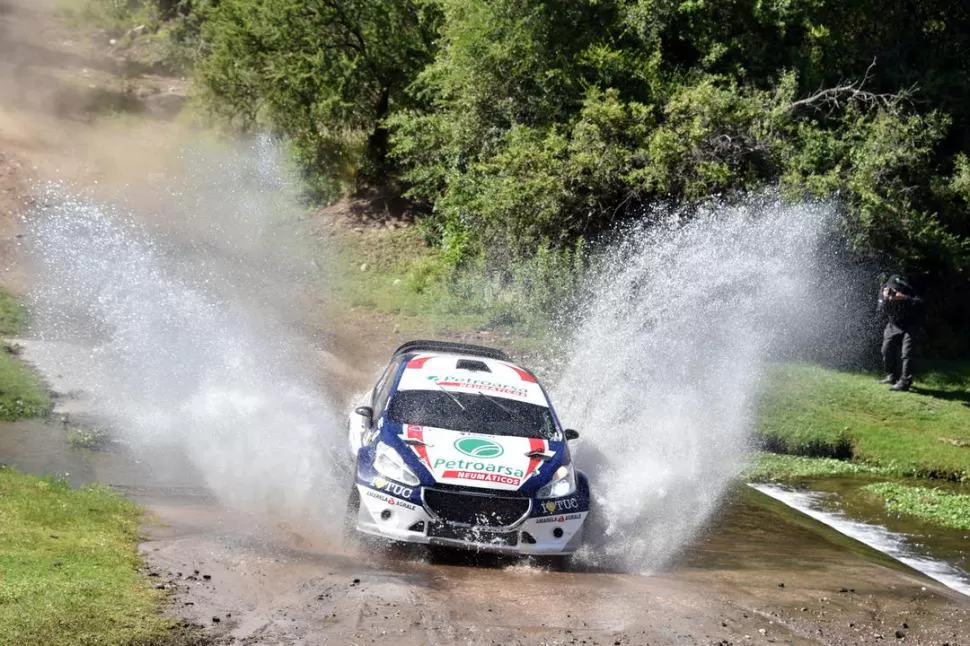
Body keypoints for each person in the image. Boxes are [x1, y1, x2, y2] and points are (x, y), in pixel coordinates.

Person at [876, 275, 925, 392]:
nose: (893, 293)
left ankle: (905, 382)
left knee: (907, 353)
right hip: (894, 324)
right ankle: (892, 376)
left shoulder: (909, 290)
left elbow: (921, 304)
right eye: (891, 289)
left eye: (895, 290)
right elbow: (880, 311)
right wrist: (885, 299)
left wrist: (904, 298)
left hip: (911, 324)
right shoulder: (884, 290)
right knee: (886, 349)